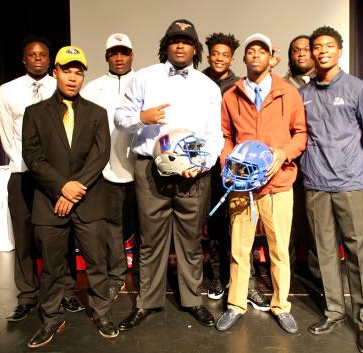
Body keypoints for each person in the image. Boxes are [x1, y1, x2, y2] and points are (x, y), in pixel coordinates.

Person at [115, 19, 223, 331]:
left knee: (190, 241)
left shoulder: (208, 86)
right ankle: (147, 302)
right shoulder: (144, 78)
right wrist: (141, 117)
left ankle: (193, 301)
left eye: (186, 41)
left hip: (192, 174)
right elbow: (120, 118)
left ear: (195, 48)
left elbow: (214, 136)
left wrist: (202, 163)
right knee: (150, 240)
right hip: (150, 170)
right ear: (166, 45)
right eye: (174, 40)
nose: (180, 45)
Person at [22, 45, 117, 348]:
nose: (73, 77)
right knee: (51, 268)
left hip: (88, 200)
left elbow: (100, 156)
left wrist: (75, 188)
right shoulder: (34, 113)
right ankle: (51, 318)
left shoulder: (97, 113)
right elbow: (33, 157)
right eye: (67, 70)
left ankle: (102, 313)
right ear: (55, 72)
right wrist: (61, 187)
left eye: (79, 72)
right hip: (50, 202)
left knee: (96, 263)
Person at [215, 33, 307, 334]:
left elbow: (300, 134)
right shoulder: (231, 95)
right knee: (239, 248)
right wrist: (227, 165)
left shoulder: (288, 92)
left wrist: (283, 154)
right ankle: (236, 304)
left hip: (278, 182)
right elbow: (225, 136)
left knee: (279, 248)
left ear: (271, 58)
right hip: (241, 184)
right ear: (245, 58)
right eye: (250, 51)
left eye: (261, 51)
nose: (255, 55)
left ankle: (281, 305)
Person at [299, 26, 363, 352]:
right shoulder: (303, 93)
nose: (322, 52)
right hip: (316, 185)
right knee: (324, 254)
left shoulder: (361, 90)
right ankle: (334, 311)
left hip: (350, 185)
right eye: (316, 47)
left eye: (328, 46)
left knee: (359, 256)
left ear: (339, 51)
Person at [0, 35, 84, 323]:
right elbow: (6, 133)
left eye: (43, 55)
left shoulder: (59, 88)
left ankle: (67, 289)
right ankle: (27, 295)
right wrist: (26, 164)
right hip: (21, 173)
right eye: (32, 55)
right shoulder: (7, 91)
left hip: (55, 177)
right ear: (24, 59)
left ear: (51, 61)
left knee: (60, 235)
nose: (37, 59)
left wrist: (55, 176)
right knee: (23, 238)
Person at [202, 32, 270, 311]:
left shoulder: (240, 86)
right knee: (216, 227)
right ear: (208, 56)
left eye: (225, 54)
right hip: (210, 166)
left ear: (233, 58)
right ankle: (218, 278)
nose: (219, 58)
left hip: (238, 167)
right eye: (215, 54)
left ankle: (247, 283)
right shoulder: (199, 82)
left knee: (243, 229)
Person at [81, 33, 137, 300]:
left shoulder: (144, 82)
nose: (119, 58)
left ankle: (142, 274)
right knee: (112, 226)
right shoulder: (92, 88)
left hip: (142, 167)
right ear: (106, 57)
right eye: (114, 53)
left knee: (147, 227)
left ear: (131, 55)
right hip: (107, 169)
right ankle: (117, 276)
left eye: (124, 52)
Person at [283, 34, 321, 284]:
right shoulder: (282, 85)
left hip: (319, 162)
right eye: (296, 50)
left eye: (306, 49)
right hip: (288, 162)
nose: (301, 54)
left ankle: (320, 275)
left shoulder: (328, 81)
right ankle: (286, 275)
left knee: (318, 223)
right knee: (288, 223)